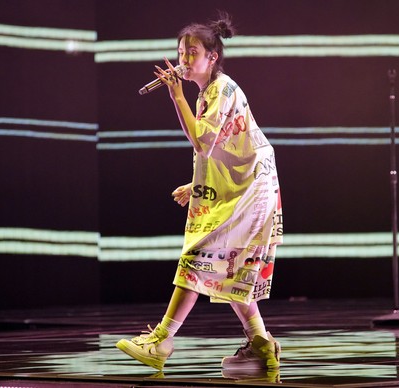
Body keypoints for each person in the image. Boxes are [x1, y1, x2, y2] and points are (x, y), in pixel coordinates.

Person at [116, 12, 284, 372]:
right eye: (181, 52)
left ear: (212, 57)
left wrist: (176, 95)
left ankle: (162, 339)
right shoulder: (212, 92)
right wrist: (198, 185)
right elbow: (227, 147)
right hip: (247, 185)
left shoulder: (220, 90)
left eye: (192, 52)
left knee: (198, 255)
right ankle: (261, 345)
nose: (183, 59)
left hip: (251, 189)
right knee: (235, 270)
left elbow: (202, 143)